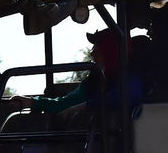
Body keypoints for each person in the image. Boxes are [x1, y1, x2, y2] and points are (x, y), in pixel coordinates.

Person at [9, 28, 144, 115]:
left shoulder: (134, 77)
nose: (92, 55)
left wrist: (84, 106)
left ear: (111, 52)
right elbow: (63, 104)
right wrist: (32, 102)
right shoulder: (92, 82)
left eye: (96, 51)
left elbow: (125, 97)